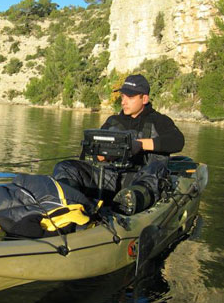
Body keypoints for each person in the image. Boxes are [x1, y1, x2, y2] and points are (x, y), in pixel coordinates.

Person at [53, 74, 184, 215]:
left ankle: (130, 201)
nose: (124, 102)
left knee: (156, 168)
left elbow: (177, 141)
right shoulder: (113, 121)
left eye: (130, 97)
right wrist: (103, 155)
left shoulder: (160, 121)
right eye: (122, 97)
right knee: (65, 167)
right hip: (111, 177)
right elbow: (94, 157)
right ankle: (68, 207)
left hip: (144, 179)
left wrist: (139, 145)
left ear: (144, 99)